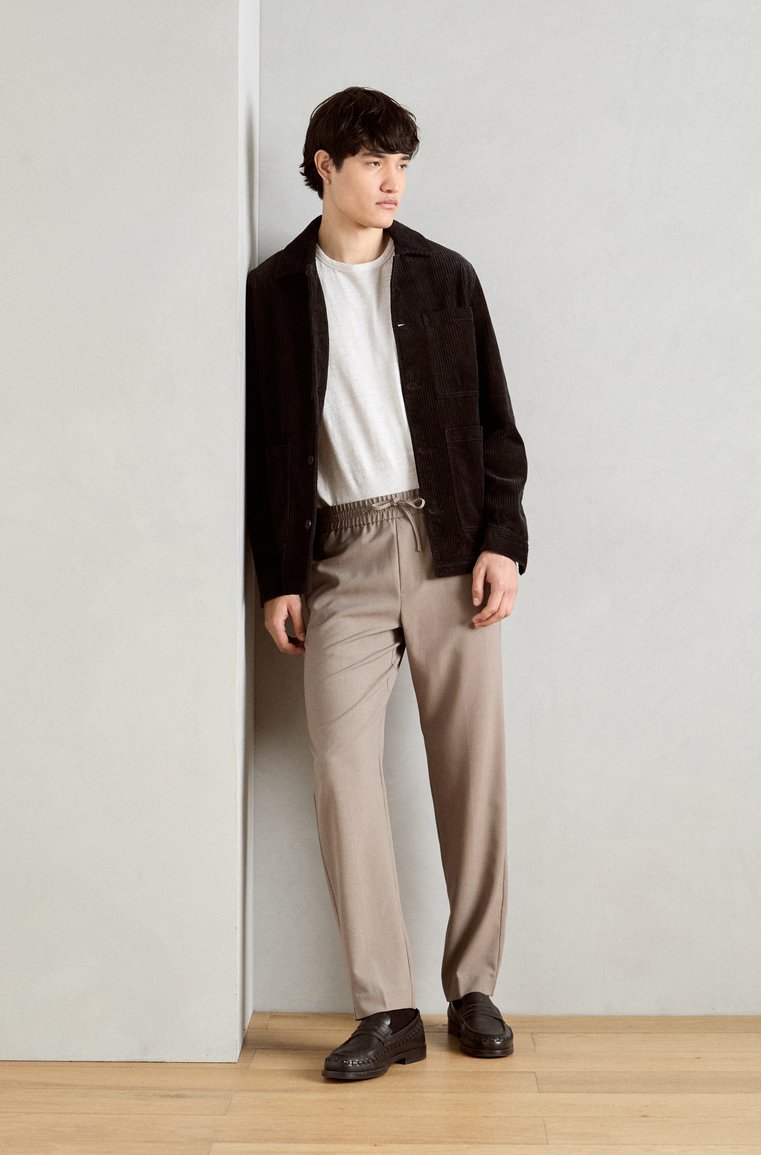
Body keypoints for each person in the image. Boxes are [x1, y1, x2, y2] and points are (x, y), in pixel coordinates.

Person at [245, 86, 528, 1082]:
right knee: (340, 773)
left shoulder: (446, 280)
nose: (391, 180)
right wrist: (279, 577)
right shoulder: (274, 295)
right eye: (372, 161)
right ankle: (386, 1008)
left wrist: (503, 542)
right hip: (339, 558)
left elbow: (497, 426)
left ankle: (473, 988)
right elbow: (265, 448)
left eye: (400, 162)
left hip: (449, 547)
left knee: (471, 773)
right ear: (324, 166)